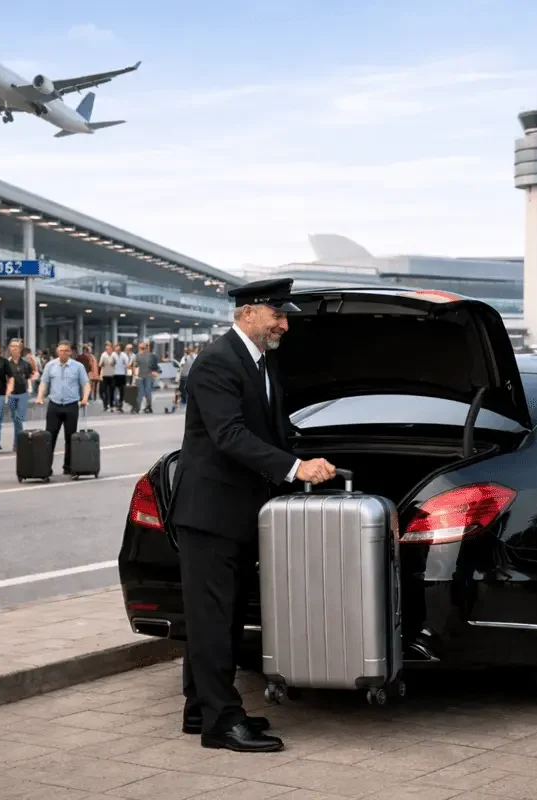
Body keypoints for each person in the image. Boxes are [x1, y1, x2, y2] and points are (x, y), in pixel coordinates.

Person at [170, 278, 337, 754]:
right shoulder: (217, 361)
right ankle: (221, 723)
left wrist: (310, 459)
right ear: (248, 314)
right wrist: (294, 468)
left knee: (220, 618)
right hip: (210, 514)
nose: (285, 324)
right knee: (212, 619)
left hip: (239, 513)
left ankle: (201, 708)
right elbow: (229, 435)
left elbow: (272, 432)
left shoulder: (261, 361)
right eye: (277, 315)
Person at [35, 341, 90, 475]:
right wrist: (40, 396)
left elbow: (86, 383)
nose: (63, 353)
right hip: (54, 405)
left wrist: (85, 398)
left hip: (71, 405)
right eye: (61, 350)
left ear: (70, 352)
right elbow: (44, 382)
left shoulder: (78, 366)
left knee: (70, 438)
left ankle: (69, 466)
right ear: (57, 351)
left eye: (66, 350)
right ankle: (46, 467)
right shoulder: (50, 365)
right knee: (49, 437)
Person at [6, 339, 35, 450]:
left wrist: (30, 389)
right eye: (12, 346)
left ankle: (18, 443)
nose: (14, 348)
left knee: (19, 418)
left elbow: (29, 377)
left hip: (22, 394)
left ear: (20, 349)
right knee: (16, 419)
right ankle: (18, 443)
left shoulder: (25, 364)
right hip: (11, 394)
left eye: (16, 346)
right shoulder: (5, 364)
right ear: (9, 348)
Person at [133, 341, 159, 413]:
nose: (141, 349)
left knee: (147, 392)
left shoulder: (151, 356)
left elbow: (155, 366)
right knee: (140, 392)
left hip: (148, 376)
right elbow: (135, 366)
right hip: (140, 376)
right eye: (140, 348)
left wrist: (154, 371)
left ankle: (148, 406)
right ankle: (138, 408)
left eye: (143, 348)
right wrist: (134, 373)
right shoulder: (137, 356)